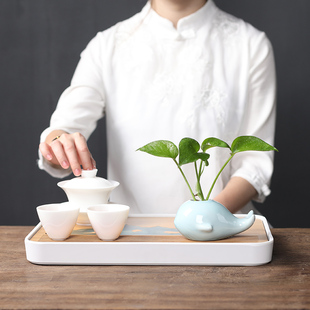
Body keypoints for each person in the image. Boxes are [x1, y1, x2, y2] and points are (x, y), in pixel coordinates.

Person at [38, 0, 276, 215]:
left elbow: (255, 162)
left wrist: (205, 217)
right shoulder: (107, 46)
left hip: (224, 236)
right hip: (131, 239)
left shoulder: (250, 46)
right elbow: (63, 129)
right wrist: (60, 144)